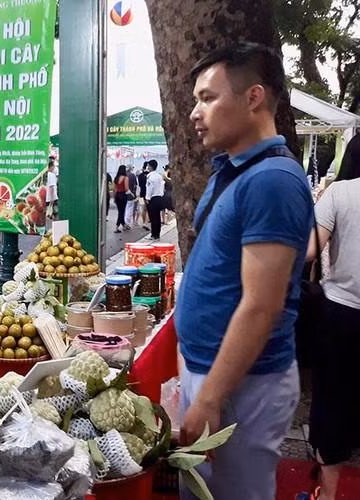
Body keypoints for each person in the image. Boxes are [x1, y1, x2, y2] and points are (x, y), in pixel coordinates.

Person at [176, 43, 313, 500]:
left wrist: (211, 395)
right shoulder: (235, 171)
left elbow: (261, 306)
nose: (196, 113)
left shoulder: (273, 180)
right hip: (213, 374)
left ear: (253, 98)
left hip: (244, 385)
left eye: (208, 98)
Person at [306, 175, 360, 500]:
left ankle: (327, 495)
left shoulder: (340, 192)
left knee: (332, 401)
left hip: (343, 313)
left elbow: (310, 249)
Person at [145, 160, 165, 239]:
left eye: (148, 166)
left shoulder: (150, 176)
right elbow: (162, 186)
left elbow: (149, 188)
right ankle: (157, 234)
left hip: (153, 198)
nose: (148, 167)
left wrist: (147, 198)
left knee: (153, 217)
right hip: (159, 197)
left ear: (150, 166)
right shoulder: (159, 176)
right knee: (158, 217)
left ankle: (153, 234)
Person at [112, 165, 130, 233]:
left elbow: (114, 189)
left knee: (120, 211)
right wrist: (131, 194)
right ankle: (117, 227)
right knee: (121, 212)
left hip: (117, 196)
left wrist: (114, 197)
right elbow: (126, 188)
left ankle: (124, 225)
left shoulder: (116, 178)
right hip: (123, 195)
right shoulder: (125, 178)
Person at [137, 162, 149, 229]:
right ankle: (146, 222)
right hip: (147, 194)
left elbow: (140, 185)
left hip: (141, 194)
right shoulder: (149, 175)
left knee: (142, 208)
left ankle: (144, 222)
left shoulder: (140, 175)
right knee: (147, 209)